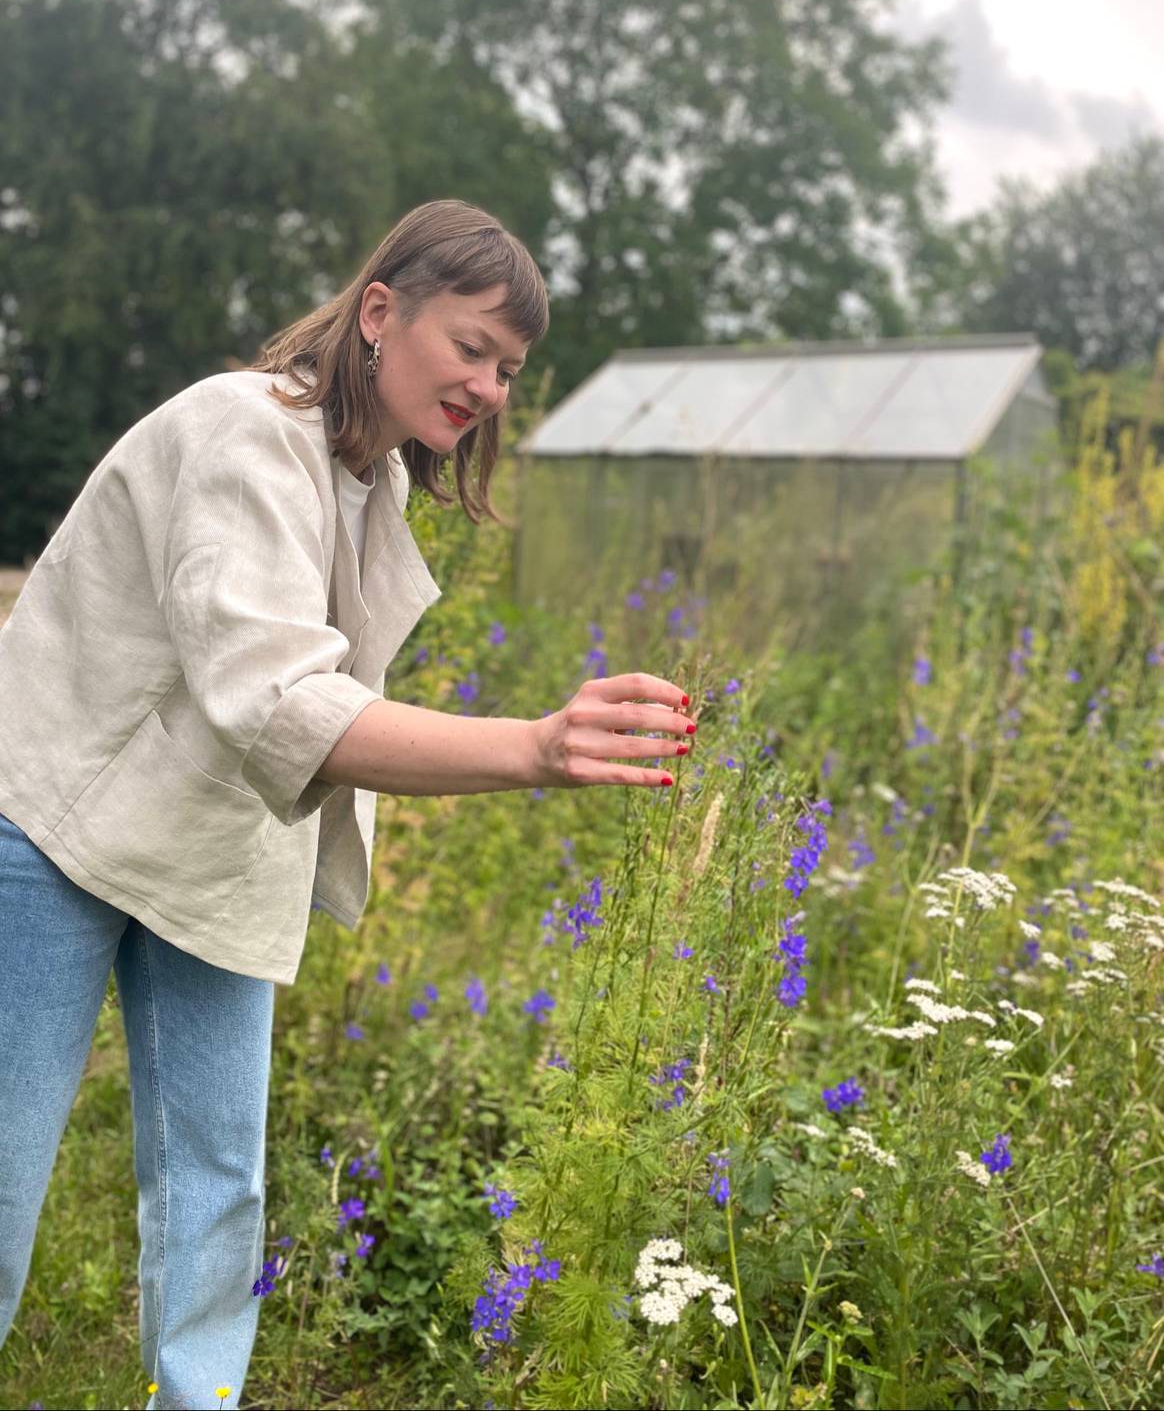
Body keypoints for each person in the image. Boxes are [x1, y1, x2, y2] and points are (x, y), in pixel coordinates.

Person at [0, 198, 695, 1408]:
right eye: (471, 347)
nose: (487, 385)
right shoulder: (242, 434)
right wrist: (531, 745)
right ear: (380, 311)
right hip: (54, 823)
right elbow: (279, 701)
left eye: (510, 369)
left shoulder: (373, 485)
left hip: (211, 844)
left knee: (222, 1179)